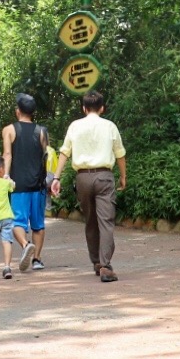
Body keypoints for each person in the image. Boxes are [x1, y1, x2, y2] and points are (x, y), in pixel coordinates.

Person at [56, 89, 126, 282]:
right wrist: (123, 177)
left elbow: (64, 152)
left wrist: (56, 177)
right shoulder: (110, 126)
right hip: (104, 176)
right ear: (102, 108)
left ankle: (96, 262)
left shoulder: (75, 126)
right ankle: (105, 265)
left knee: (91, 221)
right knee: (106, 221)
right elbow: (120, 154)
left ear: (84, 108)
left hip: (83, 178)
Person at [1, 93, 51, 271]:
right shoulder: (42, 131)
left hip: (18, 184)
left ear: (17, 111)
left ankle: (24, 244)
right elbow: (47, 156)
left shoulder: (9, 130)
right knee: (38, 224)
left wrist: (5, 176)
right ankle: (37, 260)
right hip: (38, 184)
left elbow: (7, 155)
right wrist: (50, 179)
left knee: (17, 223)